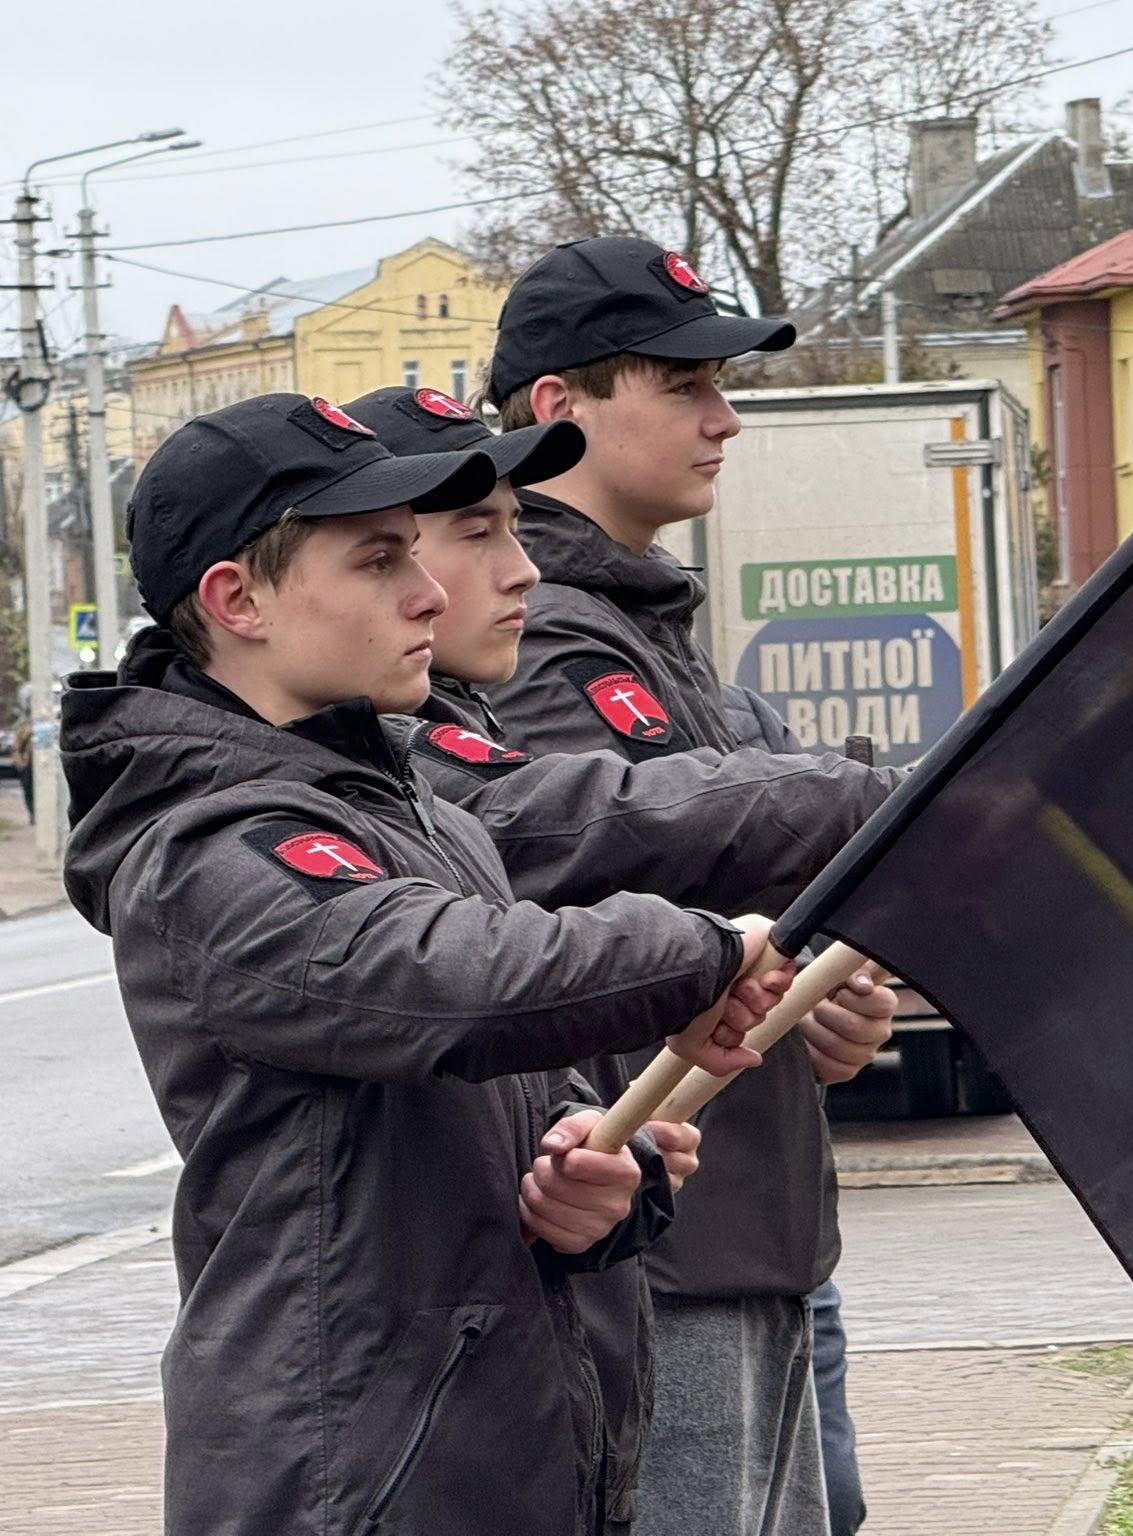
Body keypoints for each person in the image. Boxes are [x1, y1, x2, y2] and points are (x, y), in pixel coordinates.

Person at [59, 392, 791, 1536]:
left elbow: (529, 1118)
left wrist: (607, 1178)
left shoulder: (417, 816)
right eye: (377, 560)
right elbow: (452, 980)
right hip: (349, 1484)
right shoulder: (206, 844)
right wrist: (698, 952)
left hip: (503, 1461)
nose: (430, 593)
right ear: (235, 598)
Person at [340, 380, 901, 1533]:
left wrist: (785, 982)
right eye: (471, 534)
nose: (517, 571)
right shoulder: (324, 797)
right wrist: (705, 953)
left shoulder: (552, 676)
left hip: (687, 1235)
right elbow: (589, 830)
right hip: (560, 1314)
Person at [482, 237, 881, 1536]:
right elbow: (632, 852)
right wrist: (872, 797)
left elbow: (767, 885)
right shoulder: (537, 640)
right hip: (663, 1250)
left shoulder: (647, 626)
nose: (724, 417)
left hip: (751, 1235)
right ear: (558, 410)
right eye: (680, 381)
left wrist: (834, 994)